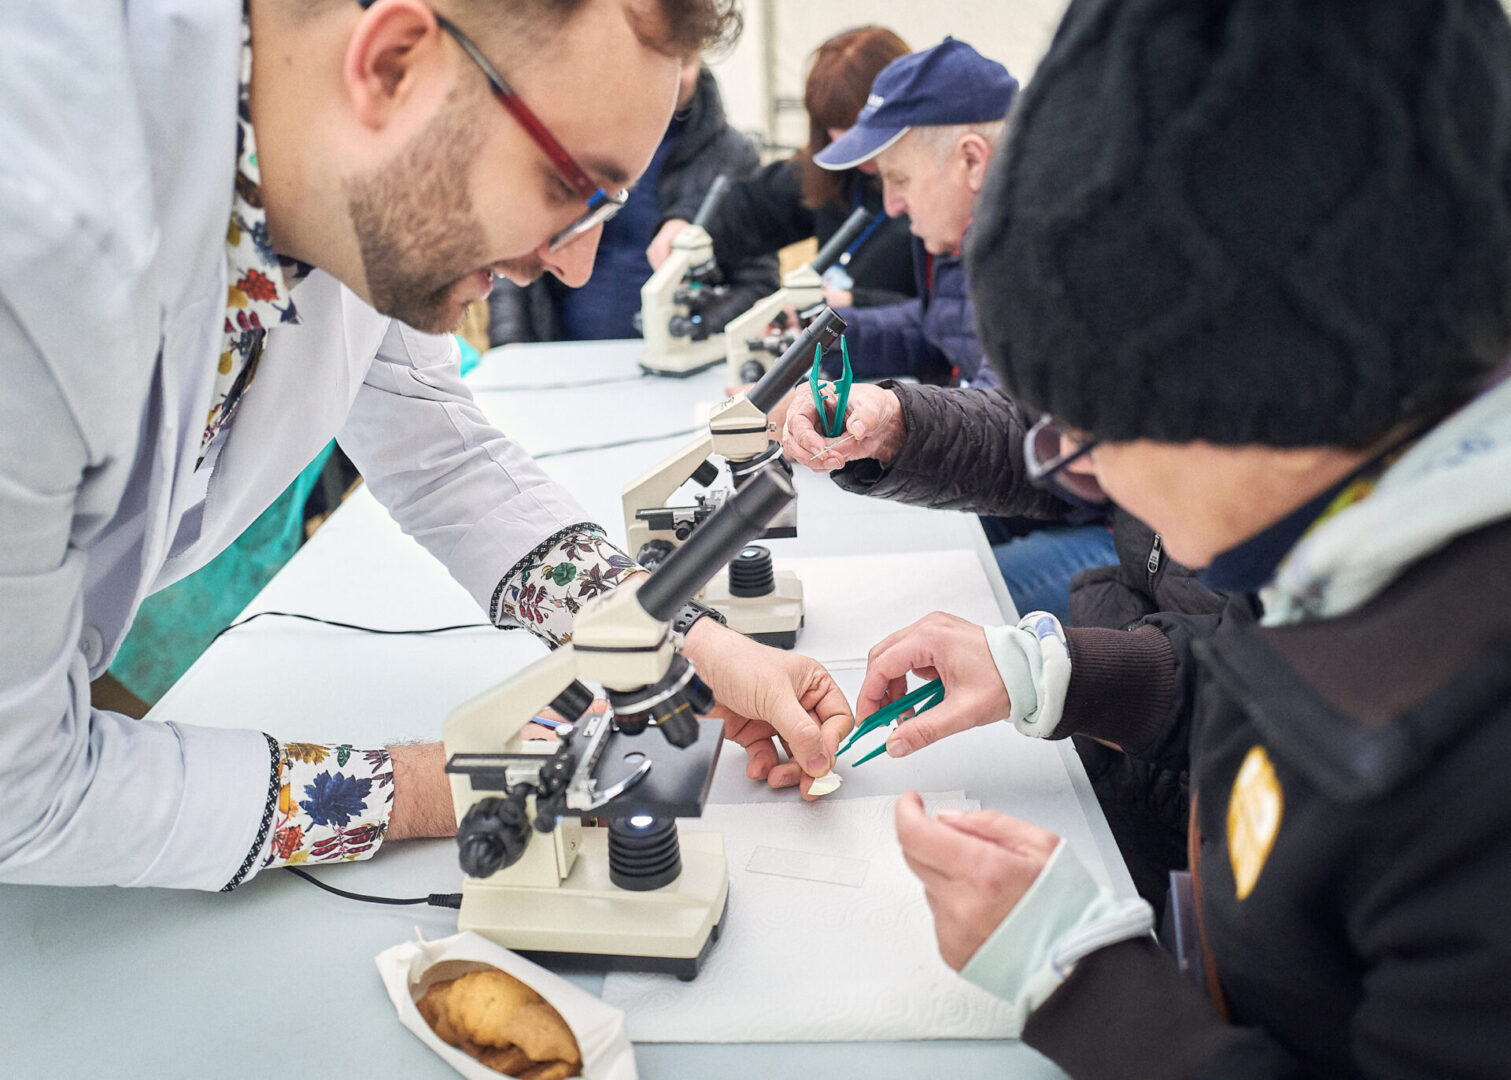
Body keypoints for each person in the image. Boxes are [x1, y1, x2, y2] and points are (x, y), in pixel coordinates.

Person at [0, 0, 855, 893]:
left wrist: (686, 642)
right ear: (394, 65)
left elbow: (440, 451)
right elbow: (22, 787)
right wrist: (445, 784)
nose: (574, 265)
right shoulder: (37, 237)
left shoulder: (348, 170)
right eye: (570, 190)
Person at [860, 0, 1511, 1075]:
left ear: (1261, 393)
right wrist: (1052, 672)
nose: (1084, 471)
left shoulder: (1468, 777)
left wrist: (1079, 985)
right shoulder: (1359, 538)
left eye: (1092, 425)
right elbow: (1263, 668)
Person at [488, 57, 777, 344]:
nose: (670, 75)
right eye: (655, 58)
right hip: (564, 353)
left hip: (680, 362)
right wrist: (510, 345)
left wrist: (695, 325)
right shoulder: (574, 142)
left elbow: (758, 281)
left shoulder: (732, 157)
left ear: (700, 57)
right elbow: (518, 251)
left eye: (682, 61)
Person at [647, 25, 916, 310]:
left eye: (859, 134)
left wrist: (855, 304)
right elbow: (752, 208)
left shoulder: (940, 198)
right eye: (836, 131)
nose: (853, 152)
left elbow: (943, 315)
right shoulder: (835, 173)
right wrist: (688, 225)